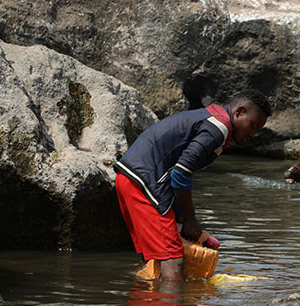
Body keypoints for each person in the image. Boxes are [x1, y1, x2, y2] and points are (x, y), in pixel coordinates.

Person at [114, 90, 271, 281]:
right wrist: (189, 219)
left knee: (153, 258)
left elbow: (175, 169)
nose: (253, 134)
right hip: (147, 183)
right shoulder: (219, 128)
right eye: (252, 126)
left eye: (257, 130)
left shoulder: (211, 117)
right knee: (173, 259)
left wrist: (180, 216)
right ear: (239, 112)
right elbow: (181, 171)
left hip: (129, 177)